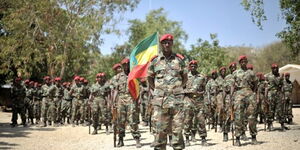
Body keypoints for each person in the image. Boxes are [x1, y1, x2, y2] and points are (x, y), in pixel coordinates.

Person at [148, 33, 188, 150]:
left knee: (178, 129)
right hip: (160, 102)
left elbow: (185, 78)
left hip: (177, 102)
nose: (167, 44)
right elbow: (150, 78)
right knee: (160, 130)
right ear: (161, 44)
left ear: (172, 44)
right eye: (164, 42)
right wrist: (158, 90)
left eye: (169, 42)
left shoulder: (179, 60)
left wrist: (177, 90)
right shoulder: (155, 61)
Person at [112, 58, 141, 148]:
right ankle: (120, 140)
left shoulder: (133, 75)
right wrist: (114, 100)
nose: (126, 66)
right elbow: (116, 90)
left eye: (127, 64)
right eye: (124, 65)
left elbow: (137, 88)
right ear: (122, 66)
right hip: (121, 99)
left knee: (132, 119)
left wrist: (137, 100)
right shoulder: (117, 77)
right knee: (120, 120)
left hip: (131, 98)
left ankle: (137, 139)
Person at [231, 55, 258, 146]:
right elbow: (232, 85)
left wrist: (253, 93)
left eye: (245, 61)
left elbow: (255, 84)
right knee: (238, 117)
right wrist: (231, 96)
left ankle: (253, 137)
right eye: (241, 61)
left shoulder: (251, 73)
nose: (243, 62)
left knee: (252, 117)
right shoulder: (235, 73)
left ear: (247, 62)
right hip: (239, 94)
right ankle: (238, 138)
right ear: (239, 62)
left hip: (250, 94)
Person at [183, 60, 208, 146]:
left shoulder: (202, 77)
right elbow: (181, 89)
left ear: (197, 66)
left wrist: (200, 93)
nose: (193, 67)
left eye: (195, 66)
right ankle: (187, 138)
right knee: (187, 120)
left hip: (199, 101)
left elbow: (204, 89)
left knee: (201, 120)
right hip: (188, 100)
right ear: (189, 67)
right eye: (191, 66)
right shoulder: (185, 76)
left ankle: (203, 139)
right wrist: (188, 91)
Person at [265, 64, 287, 131]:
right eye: (274, 68)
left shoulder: (280, 76)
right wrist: (265, 97)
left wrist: (283, 95)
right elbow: (266, 87)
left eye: (276, 68)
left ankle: (282, 124)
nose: (275, 69)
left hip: (278, 93)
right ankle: (269, 125)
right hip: (271, 94)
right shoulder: (268, 76)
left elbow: (282, 86)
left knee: (280, 110)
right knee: (271, 110)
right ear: (271, 69)